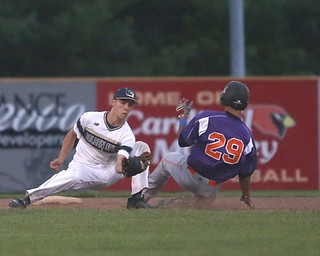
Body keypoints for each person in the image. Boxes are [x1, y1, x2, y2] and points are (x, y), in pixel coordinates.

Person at [9, 87, 154, 209]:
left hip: (108, 171)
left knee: (141, 147)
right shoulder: (89, 118)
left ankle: (136, 198)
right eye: (123, 102)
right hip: (83, 167)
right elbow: (72, 135)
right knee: (67, 177)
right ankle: (27, 200)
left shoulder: (127, 135)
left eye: (130, 104)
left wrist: (126, 167)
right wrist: (61, 158)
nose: (126, 108)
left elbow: (117, 168)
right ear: (113, 102)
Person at [142, 81, 257, 209]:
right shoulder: (248, 136)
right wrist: (246, 195)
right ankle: (184, 205)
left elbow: (183, 141)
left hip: (189, 175)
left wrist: (183, 117)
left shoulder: (207, 118)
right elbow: (245, 174)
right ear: (245, 104)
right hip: (210, 188)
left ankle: (141, 197)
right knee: (202, 204)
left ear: (225, 97)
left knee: (167, 160)